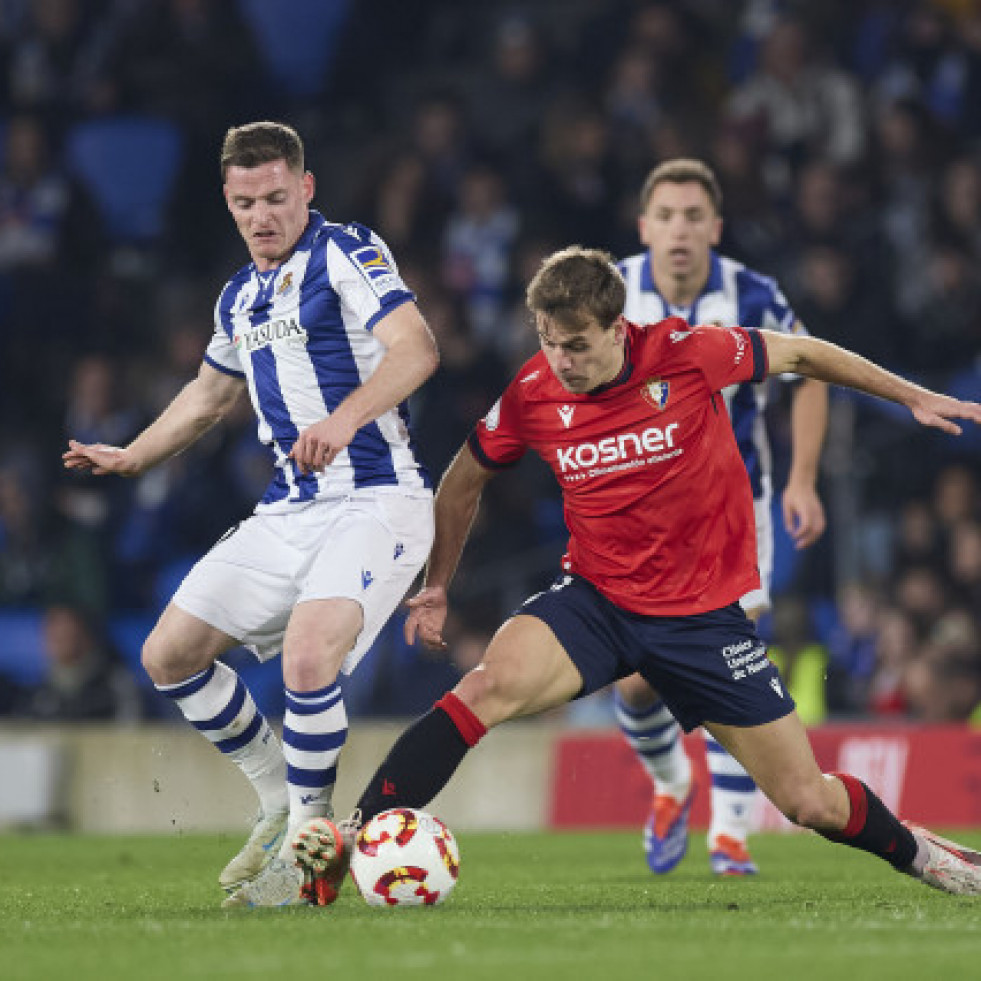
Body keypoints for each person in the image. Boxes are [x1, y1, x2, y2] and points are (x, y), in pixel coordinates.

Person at [293, 246, 981, 904]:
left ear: (616, 328)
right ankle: (349, 839)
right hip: (595, 603)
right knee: (485, 686)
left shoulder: (688, 353)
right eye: (547, 341)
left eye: (576, 344)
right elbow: (460, 481)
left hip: (703, 620)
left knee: (809, 801)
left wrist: (910, 395)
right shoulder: (533, 389)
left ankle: (927, 856)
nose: (559, 360)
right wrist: (438, 581)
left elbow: (803, 352)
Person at [63, 121, 439, 907]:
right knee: (168, 654)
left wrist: (343, 420)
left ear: (305, 188)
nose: (262, 215)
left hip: (378, 497)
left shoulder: (346, 250)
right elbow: (208, 395)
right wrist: (131, 455)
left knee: (308, 658)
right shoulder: (238, 295)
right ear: (228, 204)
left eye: (275, 197)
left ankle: (310, 850)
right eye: (245, 203)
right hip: (290, 508)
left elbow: (416, 347)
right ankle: (275, 797)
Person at [614, 158, 828, 875]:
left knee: (729, 657)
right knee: (636, 680)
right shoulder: (608, 292)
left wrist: (800, 478)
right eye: (666, 216)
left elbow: (811, 376)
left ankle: (730, 831)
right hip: (641, 519)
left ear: (714, 227)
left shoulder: (752, 294)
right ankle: (671, 782)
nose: (679, 230)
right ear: (644, 227)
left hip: (736, 512)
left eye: (692, 216)